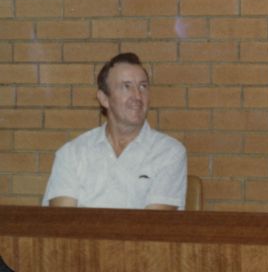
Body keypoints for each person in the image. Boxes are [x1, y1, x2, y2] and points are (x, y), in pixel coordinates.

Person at [42, 52, 187, 210]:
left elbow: (153, 227)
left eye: (143, 86)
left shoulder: (169, 152)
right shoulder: (72, 153)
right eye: (126, 87)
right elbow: (62, 224)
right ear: (104, 99)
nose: (137, 95)